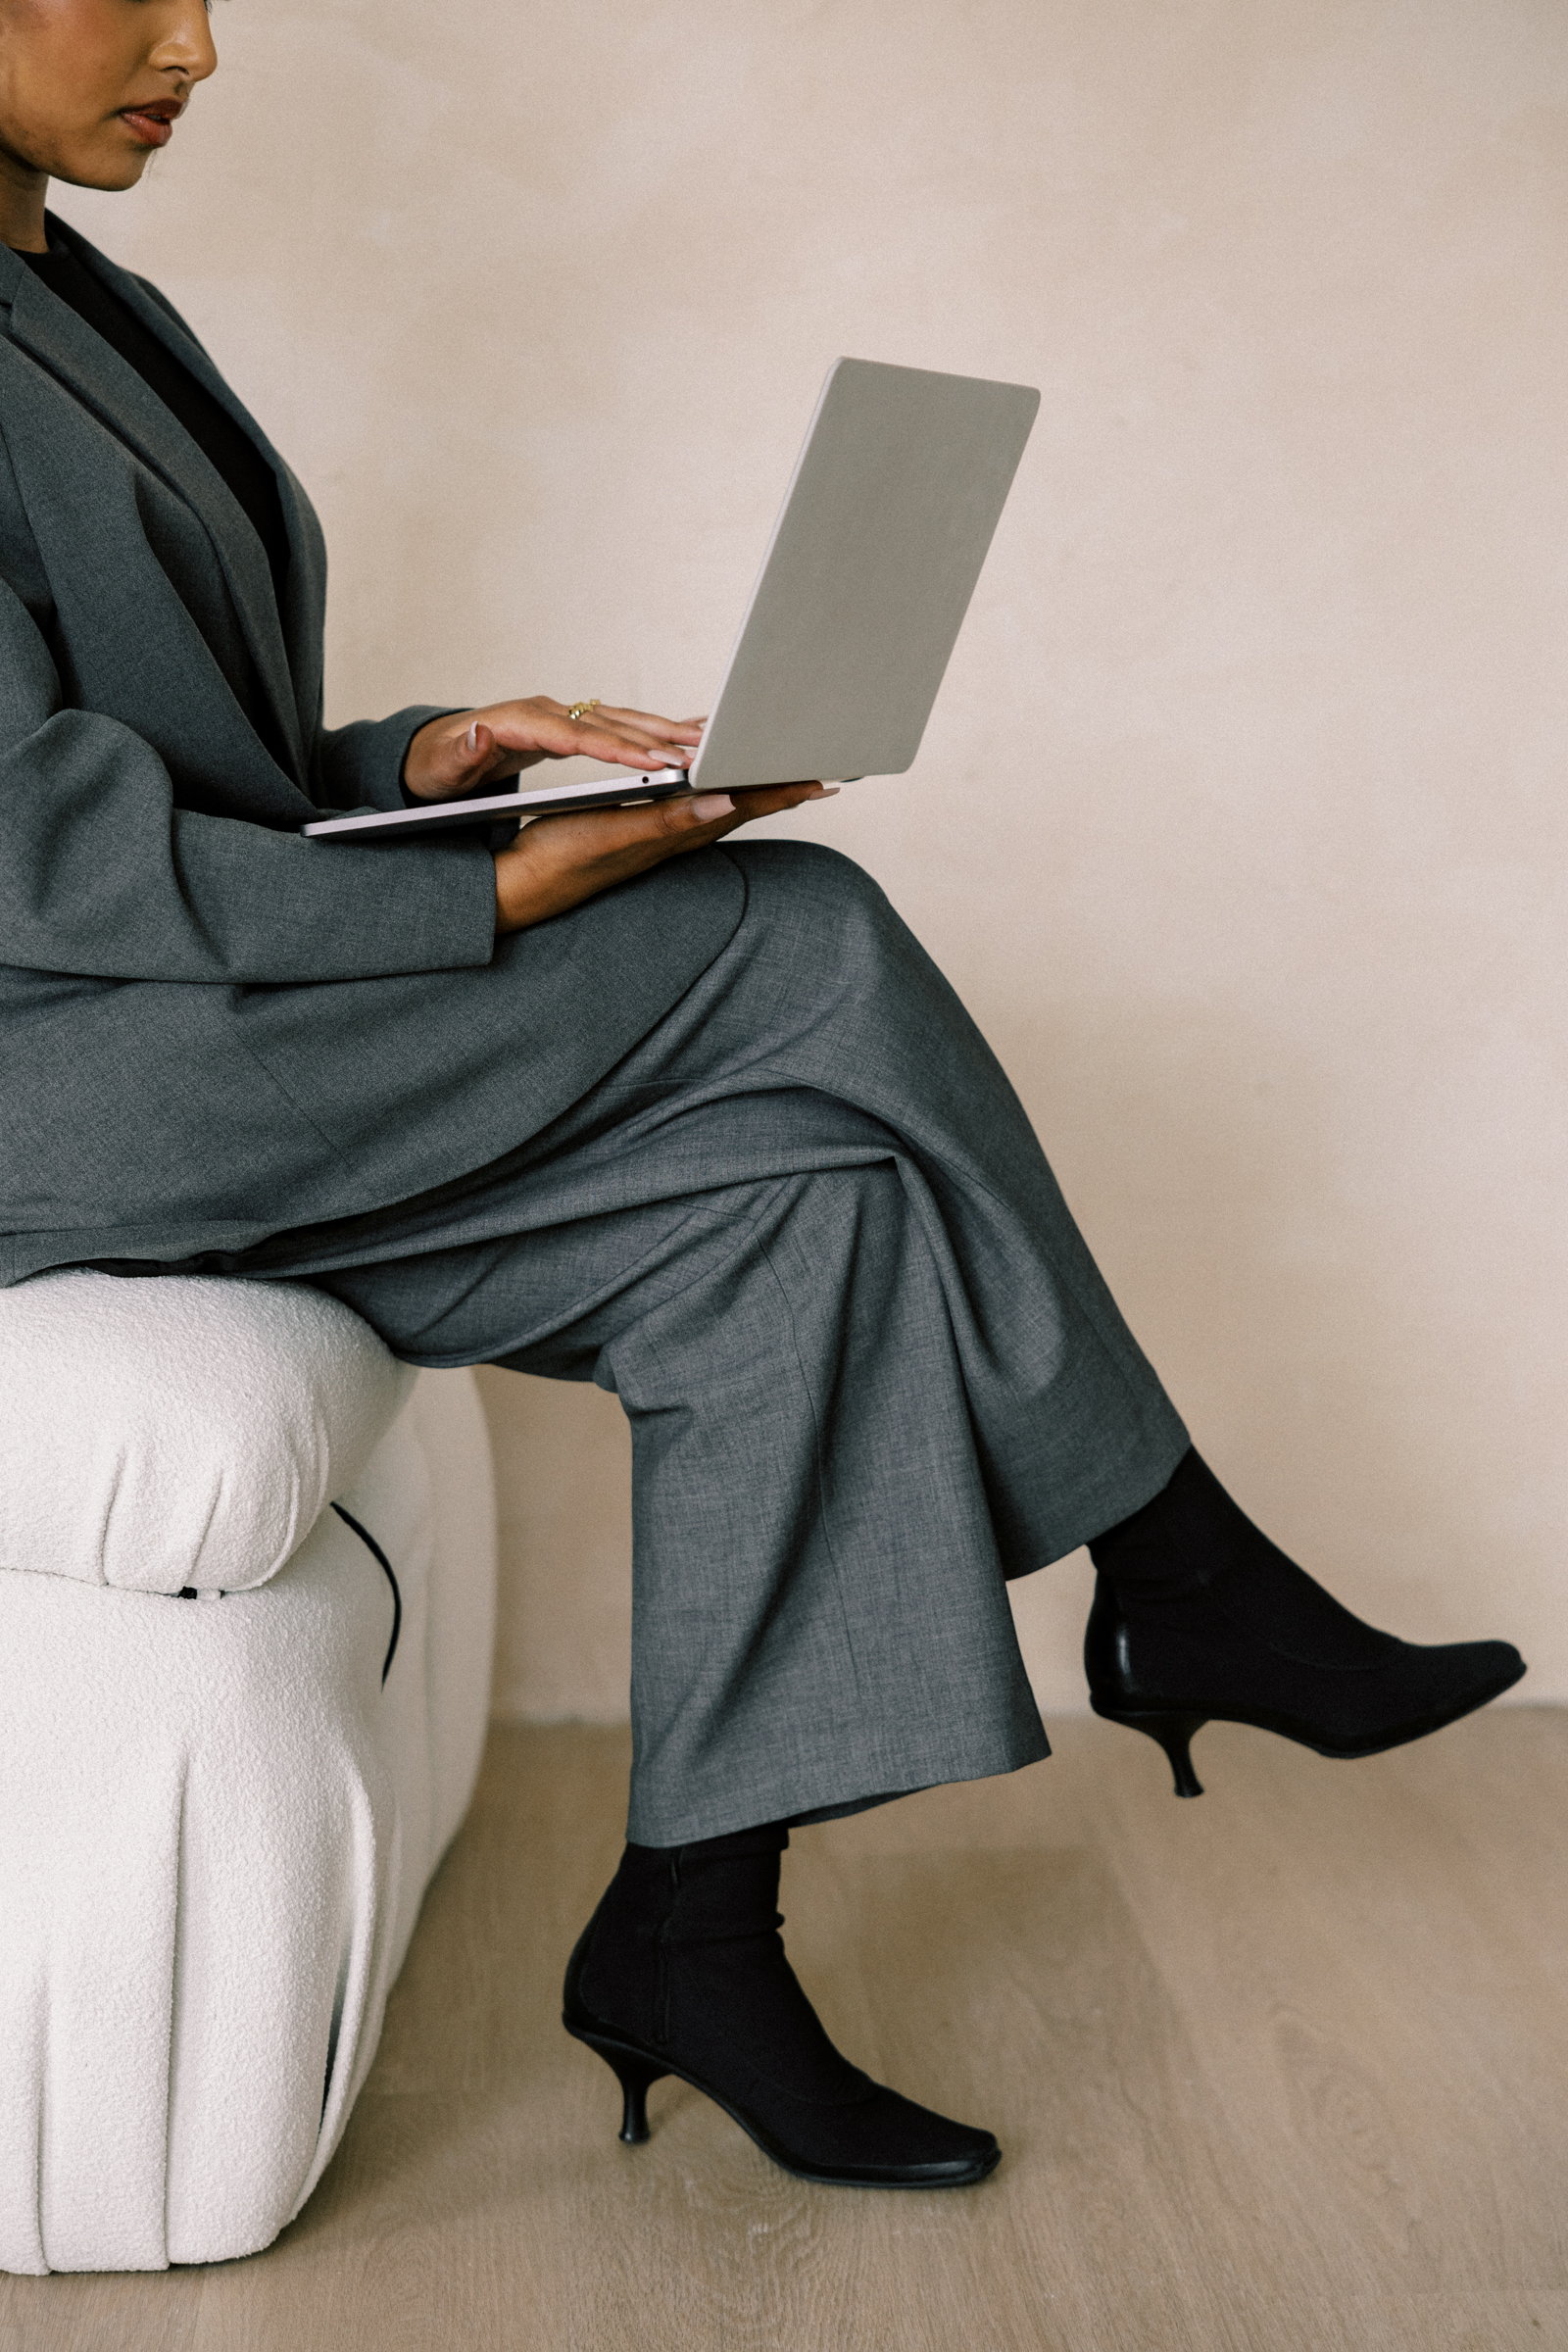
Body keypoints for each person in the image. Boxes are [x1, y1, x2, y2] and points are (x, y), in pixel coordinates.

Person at [0, 0, 1524, 2194]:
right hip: (53, 1076)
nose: (199, 42)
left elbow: (164, 757)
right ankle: (1175, 1561)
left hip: (166, 1039)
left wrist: (413, 768)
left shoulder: (94, 298)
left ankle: (689, 1934)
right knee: (788, 931)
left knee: (794, 1215)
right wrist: (502, 895)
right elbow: (30, 836)